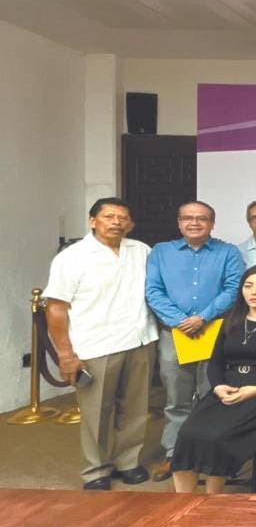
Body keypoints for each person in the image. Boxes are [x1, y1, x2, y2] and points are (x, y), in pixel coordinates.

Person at [43, 197, 158, 490]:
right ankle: (96, 470)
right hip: (95, 346)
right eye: (109, 216)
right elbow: (56, 308)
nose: (116, 222)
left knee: (135, 409)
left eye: (122, 217)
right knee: (96, 413)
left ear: (130, 224)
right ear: (93, 221)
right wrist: (65, 355)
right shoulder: (72, 258)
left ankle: (127, 462)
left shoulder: (142, 251)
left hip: (140, 340)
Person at [171, 265, 256, 493]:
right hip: (228, 387)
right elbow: (215, 363)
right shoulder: (231, 319)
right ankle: (183, 503)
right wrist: (218, 387)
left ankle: (212, 500)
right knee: (187, 434)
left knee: (217, 437)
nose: (254, 291)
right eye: (248, 286)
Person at [146, 200, 245, 482]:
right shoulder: (161, 252)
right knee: (176, 400)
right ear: (179, 223)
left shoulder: (228, 252)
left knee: (212, 397)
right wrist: (180, 320)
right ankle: (174, 455)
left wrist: (202, 317)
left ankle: (210, 458)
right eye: (188, 218)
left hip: (214, 333)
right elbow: (153, 290)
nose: (194, 223)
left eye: (202, 218)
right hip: (174, 334)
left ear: (212, 224)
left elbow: (233, 289)